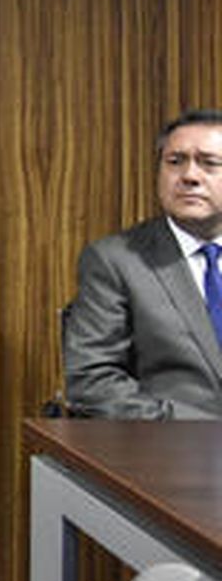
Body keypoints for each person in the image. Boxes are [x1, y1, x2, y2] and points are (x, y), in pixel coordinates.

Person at [64, 109, 222, 419]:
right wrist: (201, 428)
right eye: (175, 162)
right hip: (168, 454)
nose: (189, 176)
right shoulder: (116, 260)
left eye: (209, 163)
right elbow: (92, 381)